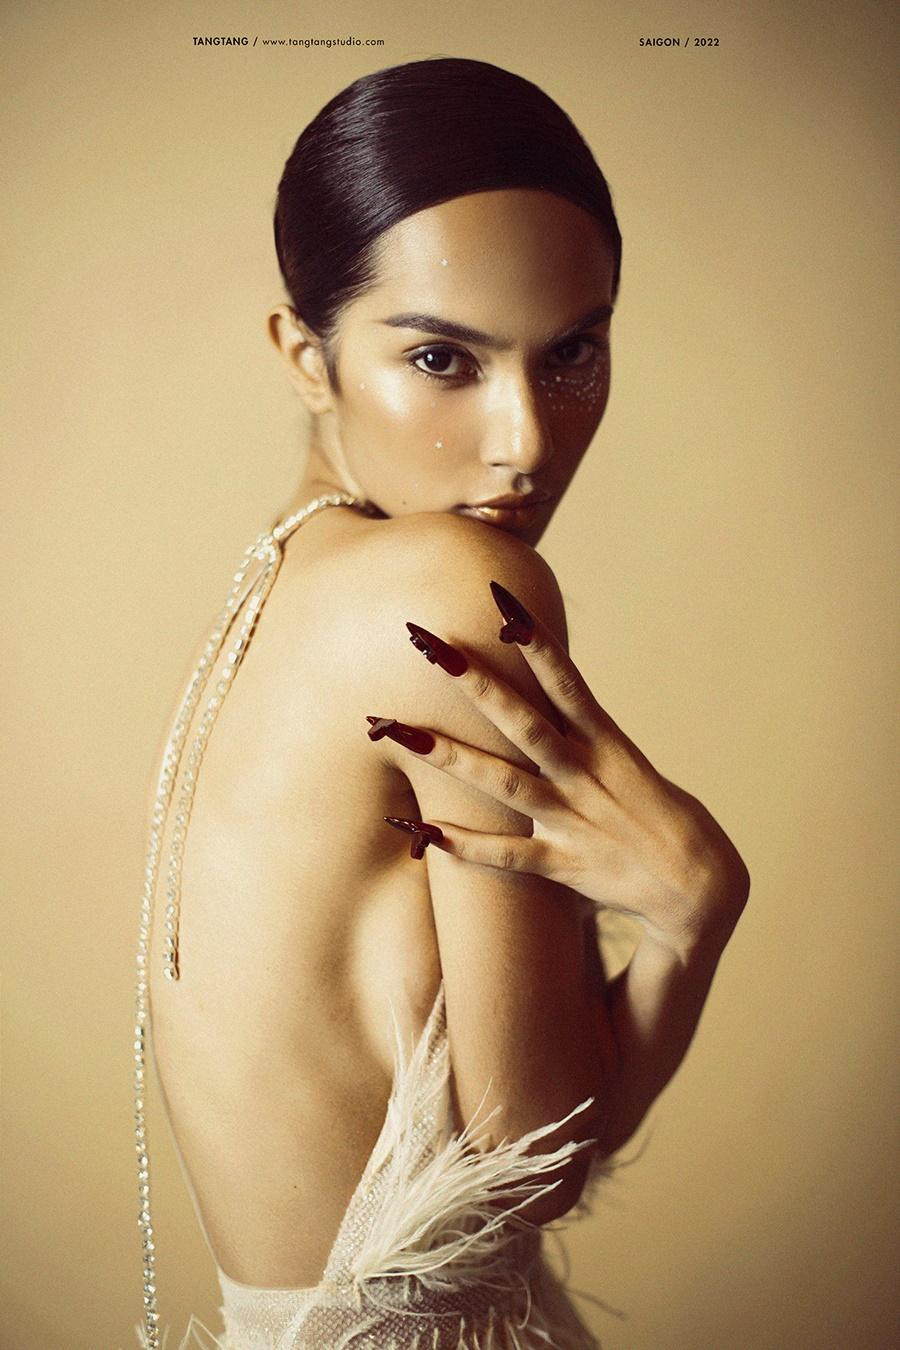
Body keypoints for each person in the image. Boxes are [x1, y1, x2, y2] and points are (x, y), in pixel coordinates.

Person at [131, 56, 750, 1350]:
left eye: (572, 351)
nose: (526, 438)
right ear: (303, 355)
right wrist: (694, 915)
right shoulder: (449, 589)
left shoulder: (282, 584)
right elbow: (537, 1160)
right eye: (441, 358)